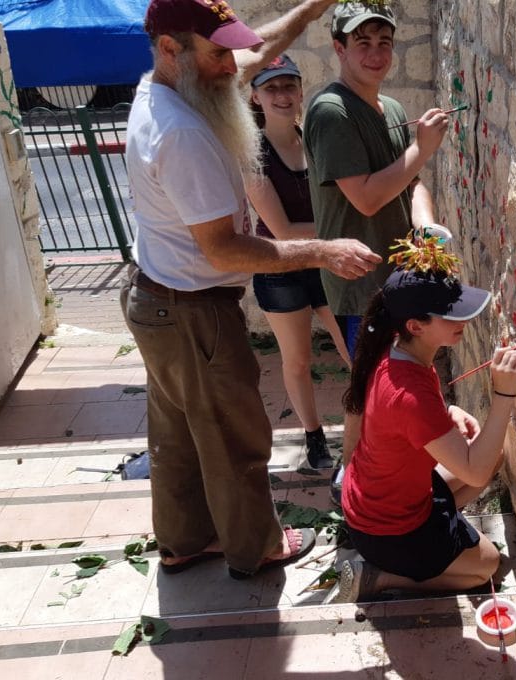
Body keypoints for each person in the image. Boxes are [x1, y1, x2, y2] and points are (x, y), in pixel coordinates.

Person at [123, 0, 381, 580]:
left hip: (158, 302)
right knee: (233, 436)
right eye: (218, 54)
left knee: (180, 437)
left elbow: (257, 44)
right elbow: (225, 249)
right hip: (192, 312)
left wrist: (313, 8)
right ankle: (257, 547)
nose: (231, 65)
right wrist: (325, 250)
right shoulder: (181, 133)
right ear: (171, 50)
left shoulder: (173, 86)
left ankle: (185, 541)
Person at [305, 0, 452, 501]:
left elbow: (410, 183)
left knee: (394, 378)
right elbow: (366, 194)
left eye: (383, 42)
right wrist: (423, 148)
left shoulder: (388, 109)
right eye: (361, 43)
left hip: (396, 277)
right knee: (370, 387)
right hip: (360, 285)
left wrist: (426, 223)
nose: (375, 53)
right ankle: (357, 483)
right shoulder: (331, 112)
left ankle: (377, 473)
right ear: (338, 48)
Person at [325, 244, 516, 603]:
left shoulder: (394, 346)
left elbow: (393, 418)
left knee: (490, 455)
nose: (463, 320)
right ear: (416, 325)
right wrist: (504, 396)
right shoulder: (408, 394)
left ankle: (440, 545)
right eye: (451, 314)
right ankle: (380, 577)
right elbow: (475, 474)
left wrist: (446, 415)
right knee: (488, 565)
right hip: (386, 529)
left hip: (382, 498)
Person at [247, 54, 351, 471]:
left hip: (326, 264)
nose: (282, 95)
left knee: (353, 350)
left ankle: (370, 426)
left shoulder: (313, 138)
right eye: (271, 88)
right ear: (255, 97)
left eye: (289, 85)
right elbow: (284, 231)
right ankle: (313, 436)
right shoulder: (252, 155)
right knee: (299, 360)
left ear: (301, 91)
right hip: (281, 269)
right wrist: (340, 234)